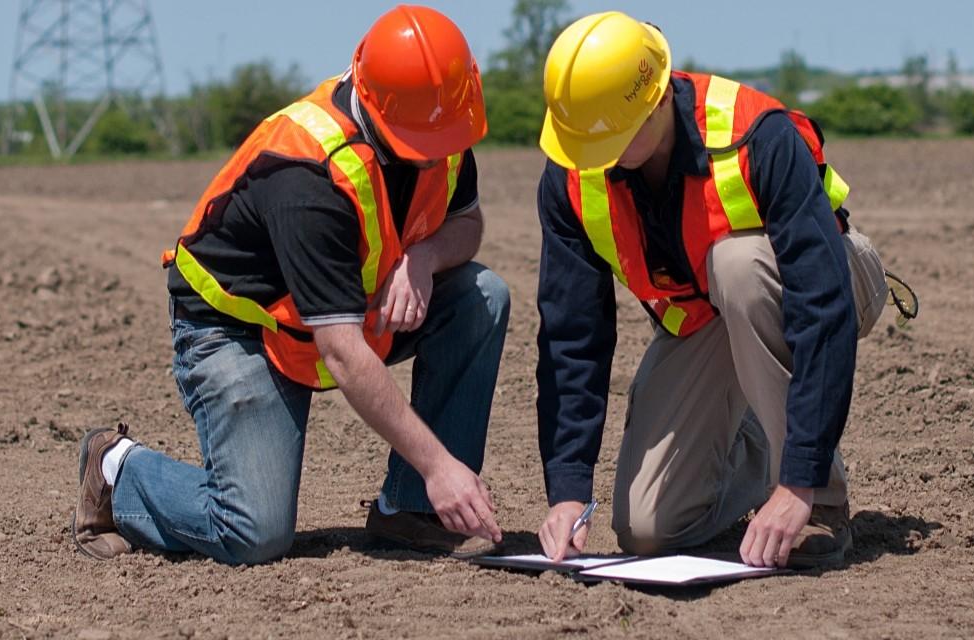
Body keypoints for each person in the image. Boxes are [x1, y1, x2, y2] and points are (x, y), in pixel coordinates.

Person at [69, 5, 509, 565]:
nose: (442, 151)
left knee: (482, 295)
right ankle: (116, 470)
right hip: (240, 329)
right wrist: (440, 464)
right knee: (252, 534)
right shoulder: (306, 173)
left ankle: (413, 510)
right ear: (378, 108)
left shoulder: (438, 123)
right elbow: (344, 355)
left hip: (336, 313)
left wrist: (425, 256)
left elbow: (466, 224)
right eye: (427, 139)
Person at [531, 12, 899, 569]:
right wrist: (567, 491)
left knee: (738, 263)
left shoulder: (757, 133)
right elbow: (571, 338)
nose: (591, 156)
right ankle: (759, 440)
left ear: (657, 100)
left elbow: (820, 305)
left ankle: (822, 500)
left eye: (607, 137)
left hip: (831, 280)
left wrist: (799, 482)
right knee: (649, 528)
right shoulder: (570, 177)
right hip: (708, 317)